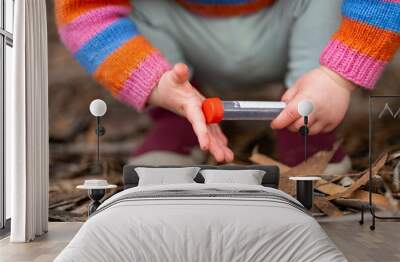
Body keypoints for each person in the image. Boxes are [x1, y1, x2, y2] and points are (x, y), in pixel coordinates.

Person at [55, 0, 400, 173]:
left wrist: (338, 75)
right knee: (132, 9)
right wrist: (157, 83)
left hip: (288, 21)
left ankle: (308, 124)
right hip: (180, 33)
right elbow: (85, 13)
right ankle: (178, 119)